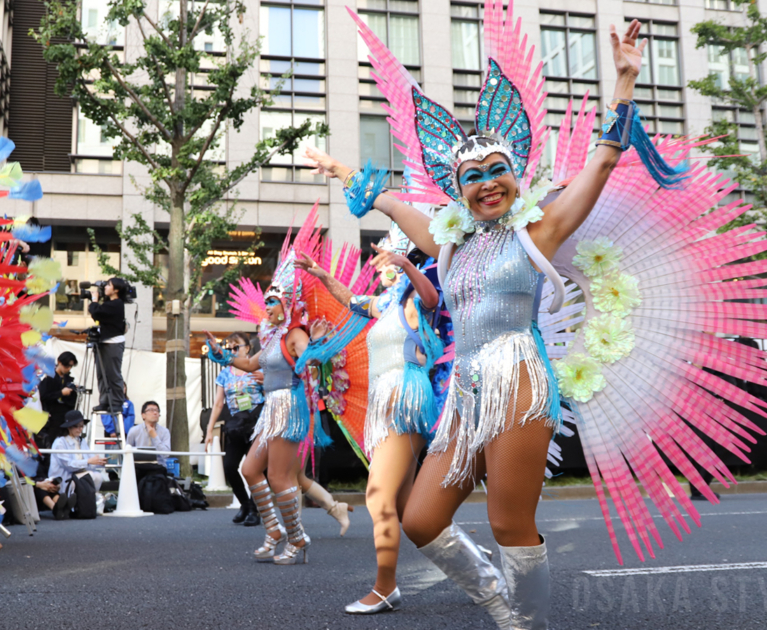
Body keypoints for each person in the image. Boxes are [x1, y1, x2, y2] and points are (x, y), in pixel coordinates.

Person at [303, 8, 715, 627]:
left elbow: (602, 163)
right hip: (466, 391)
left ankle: (529, 621)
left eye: (498, 171)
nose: (487, 184)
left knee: (507, 521)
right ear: (457, 188)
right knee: (419, 520)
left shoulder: (538, 230)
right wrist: (340, 171)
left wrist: (625, 81)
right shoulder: (450, 239)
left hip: (519, 382)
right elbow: (388, 199)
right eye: (472, 177)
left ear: (515, 175)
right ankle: (501, 600)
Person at [296, 230, 453, 615]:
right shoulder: (386, 305)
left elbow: (433, 297)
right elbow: (351, 300)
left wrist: (405, 265)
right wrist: (320, 274)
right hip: (385, 402)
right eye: (381, 257)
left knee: (377, 496)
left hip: (404, 399)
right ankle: (471, 564)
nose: (379, 262)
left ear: (404, 259)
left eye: (388, 255)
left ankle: (385, 588)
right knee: (408, 510)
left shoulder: (417, 299)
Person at [205, 204, 336, 566]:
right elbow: (250, 363)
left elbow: (313, 362)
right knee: (249, 470)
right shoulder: (270, 332)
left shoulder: (295, 334)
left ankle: (298, 539)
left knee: (279, 477)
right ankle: (275, 531)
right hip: (270, 409)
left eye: (274, 301)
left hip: (289, 407)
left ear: (288, 303)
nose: (268, 306)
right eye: (267, 301)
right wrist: (222, 356)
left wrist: (319, 342)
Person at [206, 332, 266, 526]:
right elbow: (217, 404)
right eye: (229, 348)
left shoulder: (258, 368)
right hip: (236, 426)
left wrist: (267, 382)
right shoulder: (225, 373)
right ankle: (245, 505)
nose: (232, 351)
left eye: (236, 347)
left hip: (257, 424)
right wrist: (208, 431)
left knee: (255, 469)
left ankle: (256, 510)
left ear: (247, 348)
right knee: (229, 467)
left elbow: (272, 395)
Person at [88, 277, 130, 414]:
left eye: (109, 285)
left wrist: (94, 299)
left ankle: (117, 401)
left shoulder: (117, 303)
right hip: (103, 341)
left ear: (116, 290)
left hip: (113, 342)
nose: (105, 287)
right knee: (102, 374)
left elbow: (96, 311)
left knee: (113, 374)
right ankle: (105, 401)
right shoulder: (110, 303)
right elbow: (97, 315)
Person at [48, 410, 107, 495]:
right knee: (90, 475)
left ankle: (91, 501)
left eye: (82, 426)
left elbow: (90, 460)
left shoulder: (81, 440)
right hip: (64, 477)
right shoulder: (59, 442)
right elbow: (68, 465)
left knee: (98, 476)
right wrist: (89, 461)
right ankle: (86, 502)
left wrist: (99, 462)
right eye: (77, 426)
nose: (80, 429)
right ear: (69, 427)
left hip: (80, 474)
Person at [37, 351, 78, 447]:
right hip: (49, 419)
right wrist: (61, 393)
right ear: (59, 362)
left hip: (63, 418)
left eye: (71, 366)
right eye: (66, 366)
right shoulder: (48, 377)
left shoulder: (68, 378)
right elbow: (42, 396)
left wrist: (72, 390)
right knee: (48, 445)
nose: (68, 369)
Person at [126, 401, 171, 467]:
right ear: (143, 415)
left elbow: (166, 454)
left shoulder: (165, 431)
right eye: (151, 410)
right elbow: (128, 452)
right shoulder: (134, 430)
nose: (155, 413)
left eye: (157, 411)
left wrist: (154, 436)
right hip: (139, 466)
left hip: (158, 467)